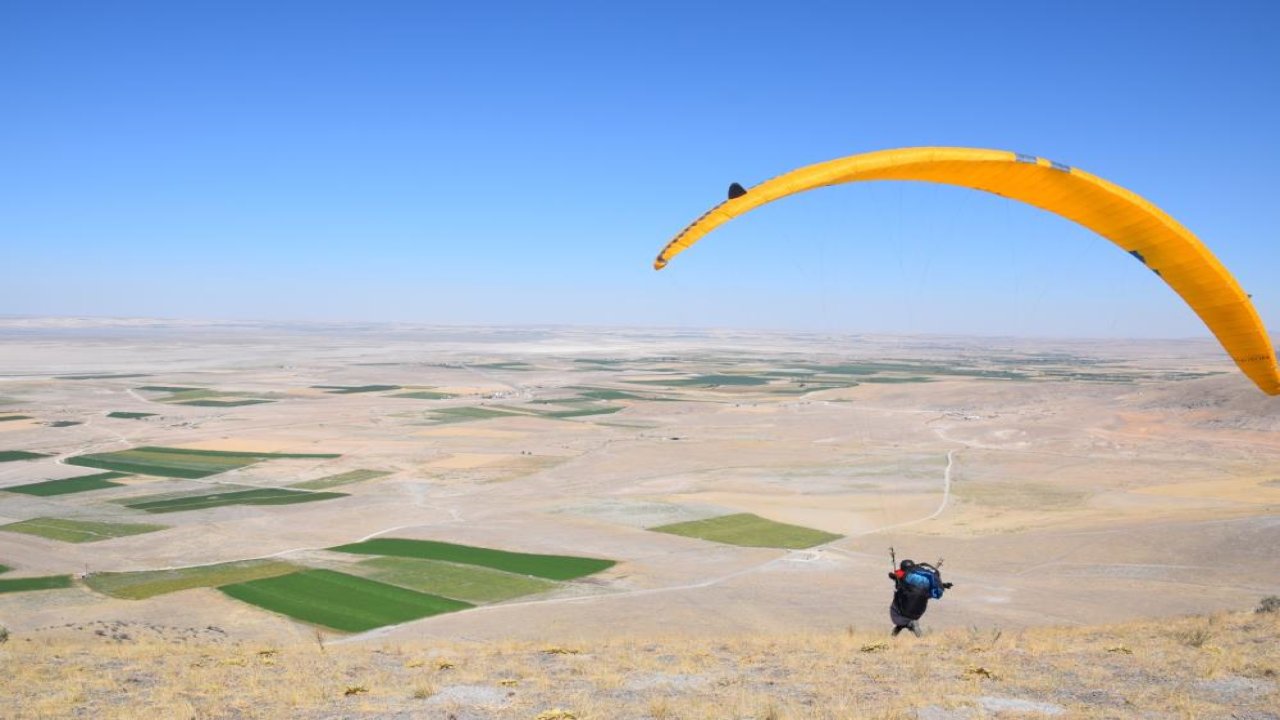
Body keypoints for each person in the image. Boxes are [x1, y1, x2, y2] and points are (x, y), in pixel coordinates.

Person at [888, 559, 952, 637]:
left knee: (903, 616)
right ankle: (896, 634)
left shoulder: (903, 578)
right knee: (907, 619)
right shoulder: (924, 580)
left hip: (903, 610)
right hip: (919, 611)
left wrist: (894, 577)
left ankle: (910, 629)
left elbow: (896, 579)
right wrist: (943, 585)